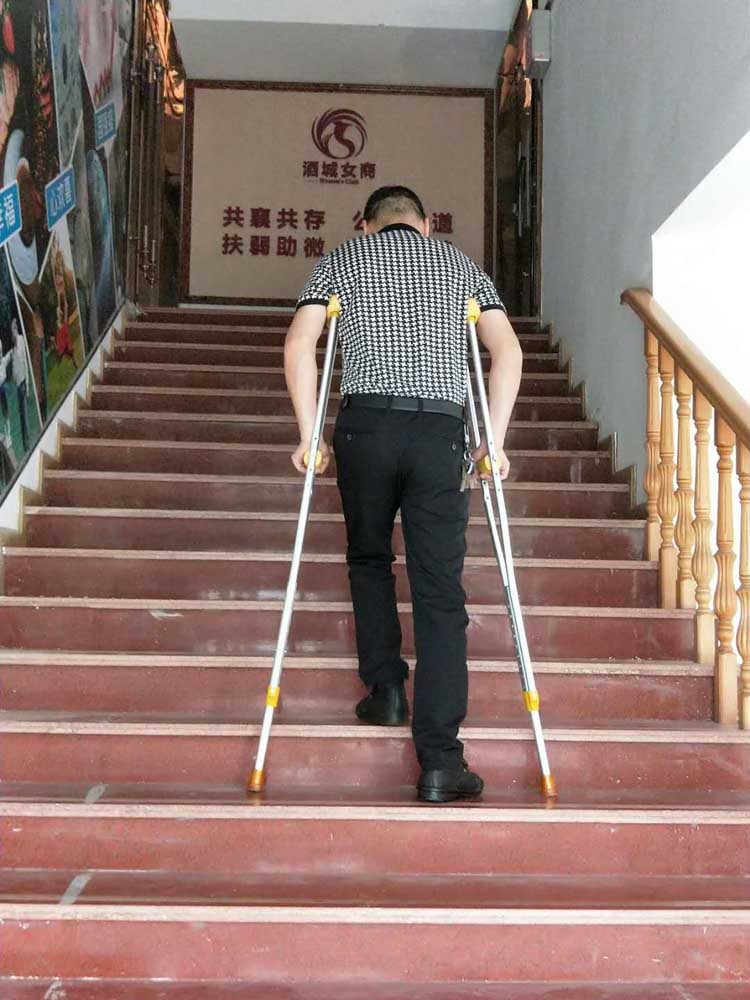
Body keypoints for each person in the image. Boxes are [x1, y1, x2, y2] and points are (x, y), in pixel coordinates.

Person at [285, 186, 522, 802]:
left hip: (364, 427)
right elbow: (506, 351)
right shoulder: (461, 264)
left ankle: (387, 689)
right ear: (425, 222)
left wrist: (310, 433)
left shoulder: (341, 259)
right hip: (439, 432)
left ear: (366, 225)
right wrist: (493, 442)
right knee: (439, 591)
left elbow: (300, 344)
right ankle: (440, 761)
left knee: (369, 557)